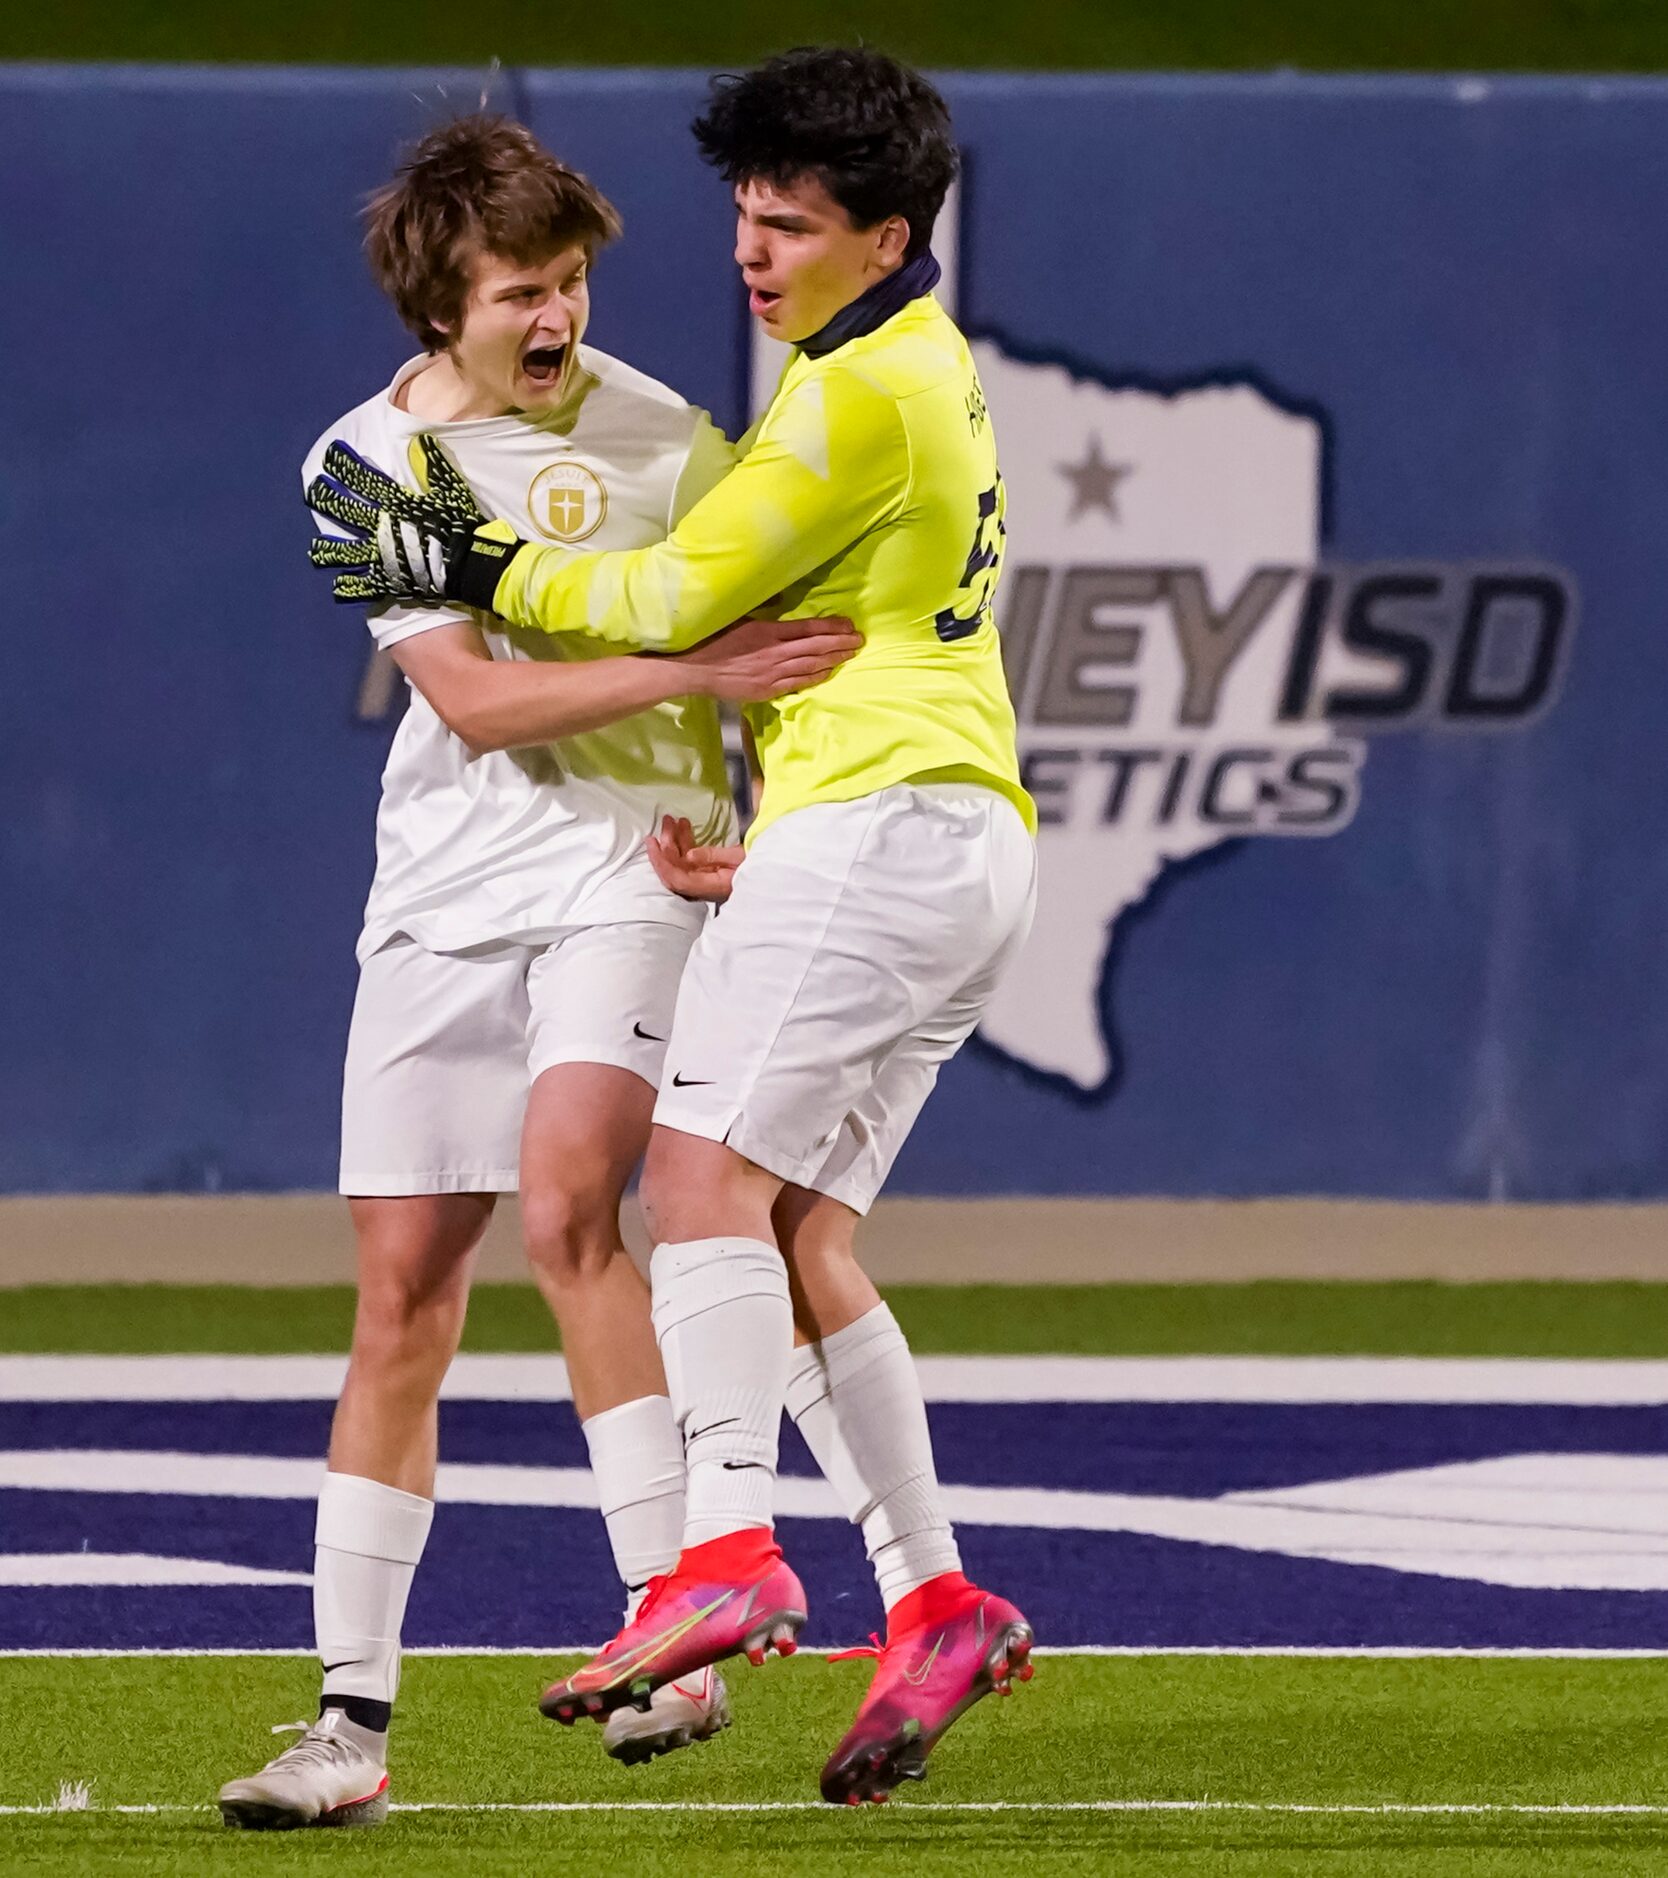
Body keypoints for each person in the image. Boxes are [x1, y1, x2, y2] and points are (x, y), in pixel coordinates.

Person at [312, 48, 1040, 1806]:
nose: (751, 254)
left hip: (878, 825)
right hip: (927, 827)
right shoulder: (890, 358)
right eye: (741, 217)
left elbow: (673, 592)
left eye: (786, 224)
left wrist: (477, 565)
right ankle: (934, 1598)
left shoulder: (848, 396)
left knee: (679, 1192)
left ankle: (717, 1552)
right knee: (794, 1240)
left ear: (885, 233)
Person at [217, 114, 858, 1833]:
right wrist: (692, 667)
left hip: (625, 872)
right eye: (523, 291)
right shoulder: (358, 468)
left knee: (580, 1203)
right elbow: (478, 702)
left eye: (573, 280)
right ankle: (347, 1725)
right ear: (445, 305)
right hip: (437, 903)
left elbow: (807, 657)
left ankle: (678, 1622)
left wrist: (764, 792)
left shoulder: (669, 435)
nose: (560, 315)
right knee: (402, 1293)